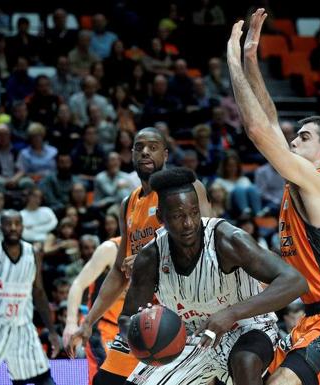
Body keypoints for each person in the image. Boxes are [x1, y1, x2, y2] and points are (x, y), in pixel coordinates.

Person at [227, 9, 320, 385]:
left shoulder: (319, 182)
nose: (293, 141)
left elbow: (259, 130)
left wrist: (230, 59)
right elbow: (272, 122)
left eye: (304, 138)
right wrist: (250, 58)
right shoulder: (300, 181)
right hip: (312, 317)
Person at [119, 167, 306, 385]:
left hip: (248, 328)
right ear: (161, 217)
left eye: (194, 213)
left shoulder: (227, 240)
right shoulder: (150, 258)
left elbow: (295, 281)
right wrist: (139, 332)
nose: (189, 223)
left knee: (245, 361)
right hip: (189, 339)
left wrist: (231, 314)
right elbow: (126, 317)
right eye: (179, 216)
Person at [64, 127, 211, 385]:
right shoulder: (128, 203)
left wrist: (149, 255)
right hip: (143, 315)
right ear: (130, 155)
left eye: (152, 147)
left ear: (165, 154)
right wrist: (88, 322)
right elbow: (119, 271)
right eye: (139, 147)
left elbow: (207, 246)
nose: (145, 151)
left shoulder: (185, 188)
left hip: (184, 312)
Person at [0, 210, 61, 385]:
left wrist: (52, 331)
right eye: (8, 224)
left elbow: (39, 292)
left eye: (17, 224)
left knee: (44, 379)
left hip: (23, 326)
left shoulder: (34, 253)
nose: (13, 228)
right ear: (1, 227)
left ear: (23, 227)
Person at [64, 237, 122, 381]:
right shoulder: (110, 249)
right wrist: (71, 323)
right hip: (103, 328)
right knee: (106, 379)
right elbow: (78, 284)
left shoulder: (159, 247)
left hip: (135, 329)